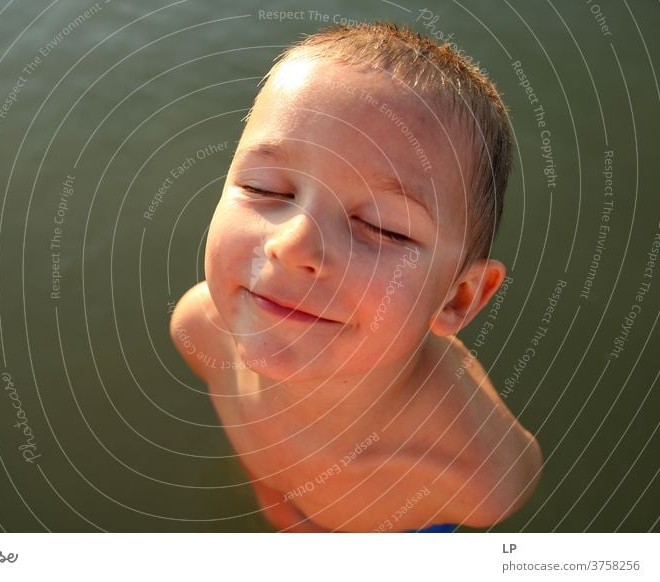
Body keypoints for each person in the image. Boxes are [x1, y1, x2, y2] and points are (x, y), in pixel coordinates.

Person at [170, 22, 542, 532]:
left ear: (458, 297)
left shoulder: (477, 479)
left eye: (382, 227)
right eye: (266, 189)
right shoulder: (198, 330)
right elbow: (268, 471)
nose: (293, 244)